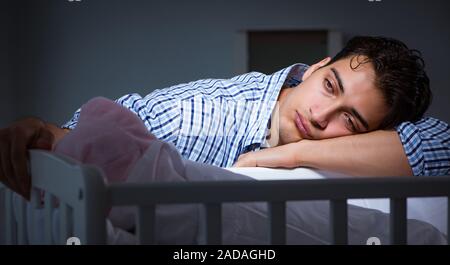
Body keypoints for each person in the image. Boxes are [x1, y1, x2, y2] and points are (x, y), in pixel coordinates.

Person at [1, 36, 449, 200]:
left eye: (350, 121)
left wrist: (281, 157)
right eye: (330, 86)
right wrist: (43, 130)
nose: (320, 114)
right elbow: (87, 138)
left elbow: (442, 146)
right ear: (316, 67)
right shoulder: (195, 118)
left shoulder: (360, 149)